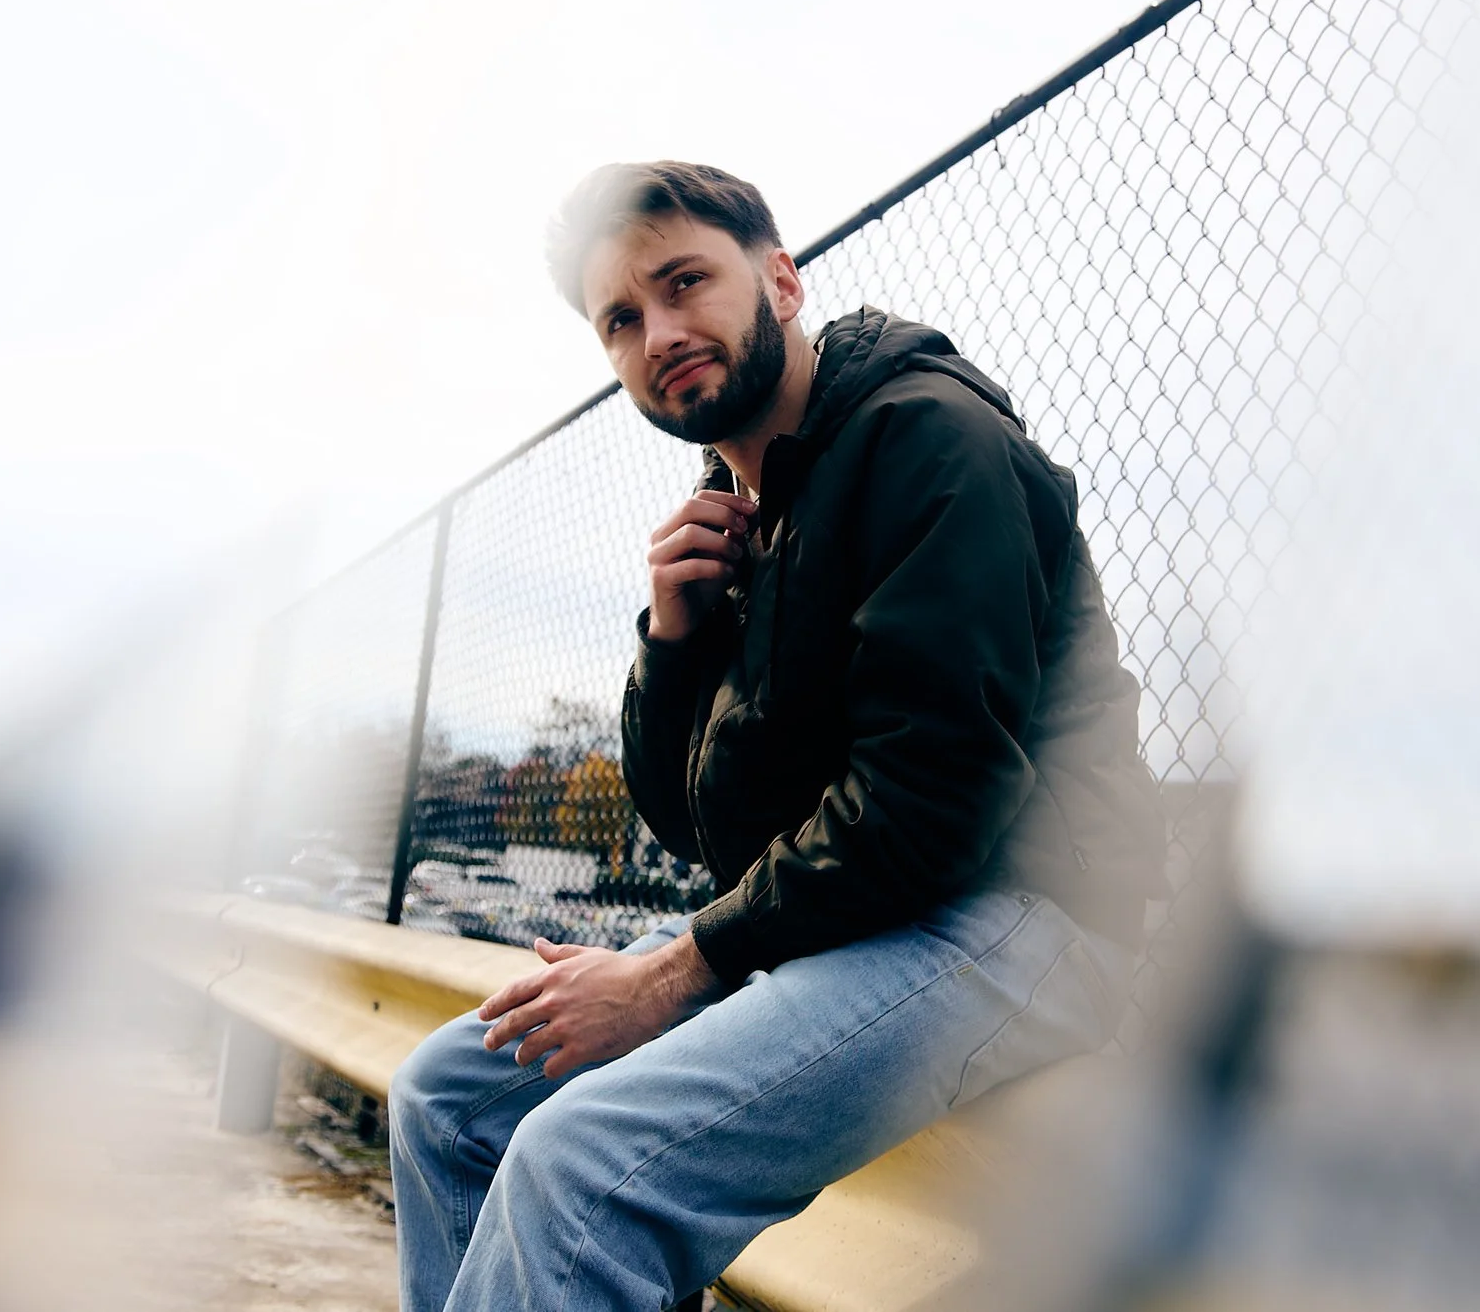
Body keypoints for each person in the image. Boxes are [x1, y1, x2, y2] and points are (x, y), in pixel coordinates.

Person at [388, 160, 1164, 1312]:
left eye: (684, 280)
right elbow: (690, 819)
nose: (660, 330)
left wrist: (671, 971)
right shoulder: (748, 506)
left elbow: (931, 801)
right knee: (445, 1095)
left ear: (781, 279)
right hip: (879, 910)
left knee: (581, 1163)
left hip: (1027, 909)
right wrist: (674, 635)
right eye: (620, 319)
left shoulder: (927, 440)